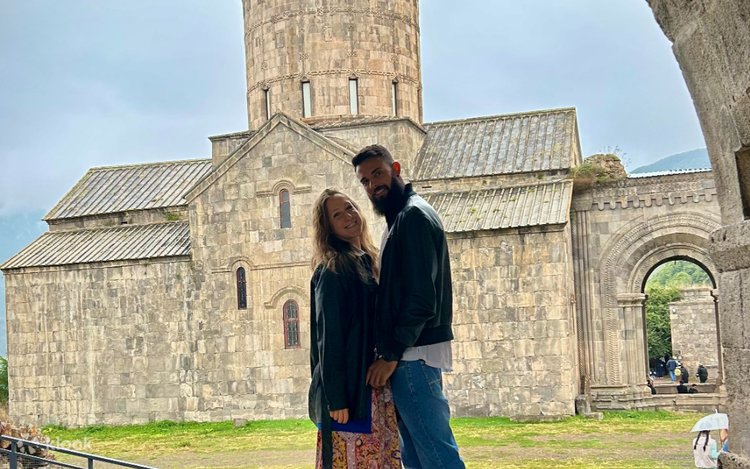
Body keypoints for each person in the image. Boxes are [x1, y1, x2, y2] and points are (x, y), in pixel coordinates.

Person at [353, 144, 465, 468]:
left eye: (378, 174)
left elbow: (420, 298)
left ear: (396, 169)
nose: (373, 185)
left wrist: (389, 356)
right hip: (408, 355)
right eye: (365, 181)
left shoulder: (413, 217)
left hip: (412, 356)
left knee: (438, 457)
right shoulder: (400, 218)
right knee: (415, 458)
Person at [308, 189, 400, 469]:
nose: (348, 216)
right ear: (328, 228)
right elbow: (329, 338)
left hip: (373, 388)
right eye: (337, 215)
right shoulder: (333, 270)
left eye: (349, 207)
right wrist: (337, 399)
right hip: (349, 395)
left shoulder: (368, 261)